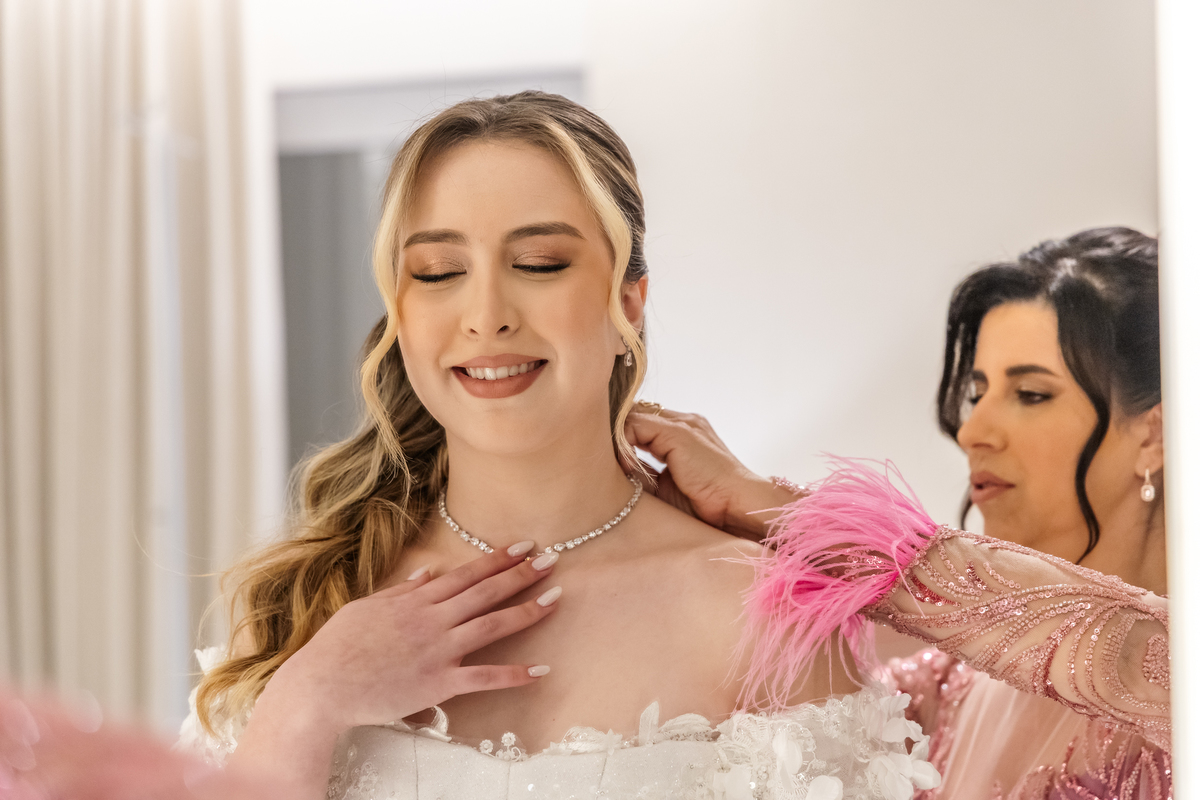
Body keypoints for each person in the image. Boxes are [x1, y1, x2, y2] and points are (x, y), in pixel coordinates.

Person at [176, 92, 933, 800]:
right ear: (399, 313)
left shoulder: (758, 617)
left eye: (538, 264)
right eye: (439, 272)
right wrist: (306, 705)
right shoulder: (305, 605)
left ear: (628, 303)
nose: (486, 315)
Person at [626, 227, 1170, 799]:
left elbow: (1136, 653)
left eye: (1031, 394)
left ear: (1153, 436)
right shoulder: (936, 695)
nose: (973, 431)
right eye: (977, 394)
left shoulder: (1178, 669)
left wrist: (781, 510)